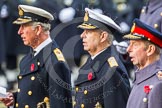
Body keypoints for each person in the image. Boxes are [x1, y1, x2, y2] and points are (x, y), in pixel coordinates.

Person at [0, 5, 72, 108]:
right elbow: (35, 94)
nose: (19, 32)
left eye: (24, 26)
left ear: (38, 29)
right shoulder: (28, 58)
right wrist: (14, 99)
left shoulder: (55, 62)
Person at [73, 8, 130, 108]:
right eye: (83, 31)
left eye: (88, 32)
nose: (82, 35)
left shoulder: (112, 70)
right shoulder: (91, 61)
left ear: (103, 36)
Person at [123, 18, 162, 108]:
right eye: (129, 44)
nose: (128, 49)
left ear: (150, 50)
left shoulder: (158, 85)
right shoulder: (141, 78)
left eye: (135, 45)